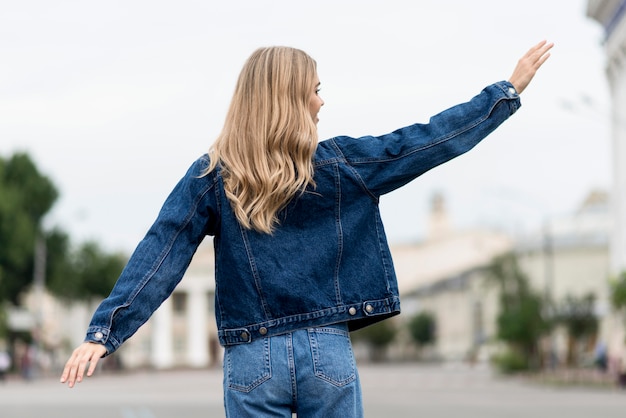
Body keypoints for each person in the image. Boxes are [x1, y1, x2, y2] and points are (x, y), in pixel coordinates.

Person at [60, 41, 553, 416]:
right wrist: (504, 93)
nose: (322, 102)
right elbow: (426, 142)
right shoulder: (343, 163)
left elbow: (161, 251)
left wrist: (105, 332)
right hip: (328, 355)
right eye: (316, 90)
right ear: (292, 98)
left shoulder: (210, 176)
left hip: (253, 361)